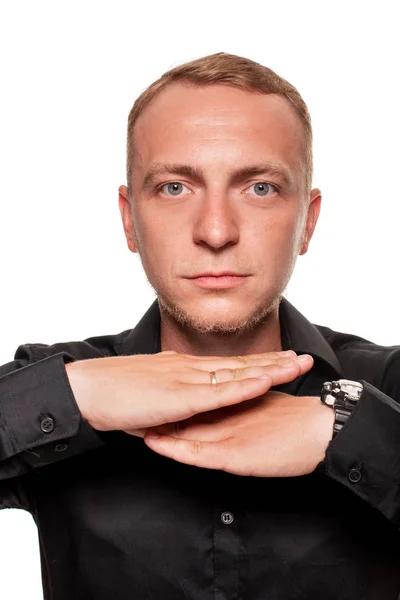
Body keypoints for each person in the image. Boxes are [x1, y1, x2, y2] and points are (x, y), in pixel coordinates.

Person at [1, 51, 399, 600]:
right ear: (128, 220)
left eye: (259, 187)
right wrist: (76, 394)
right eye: (174, 187)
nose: (215, 231)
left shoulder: (390, 385)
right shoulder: (59, 383)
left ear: (308, 223)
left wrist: (346, 433)